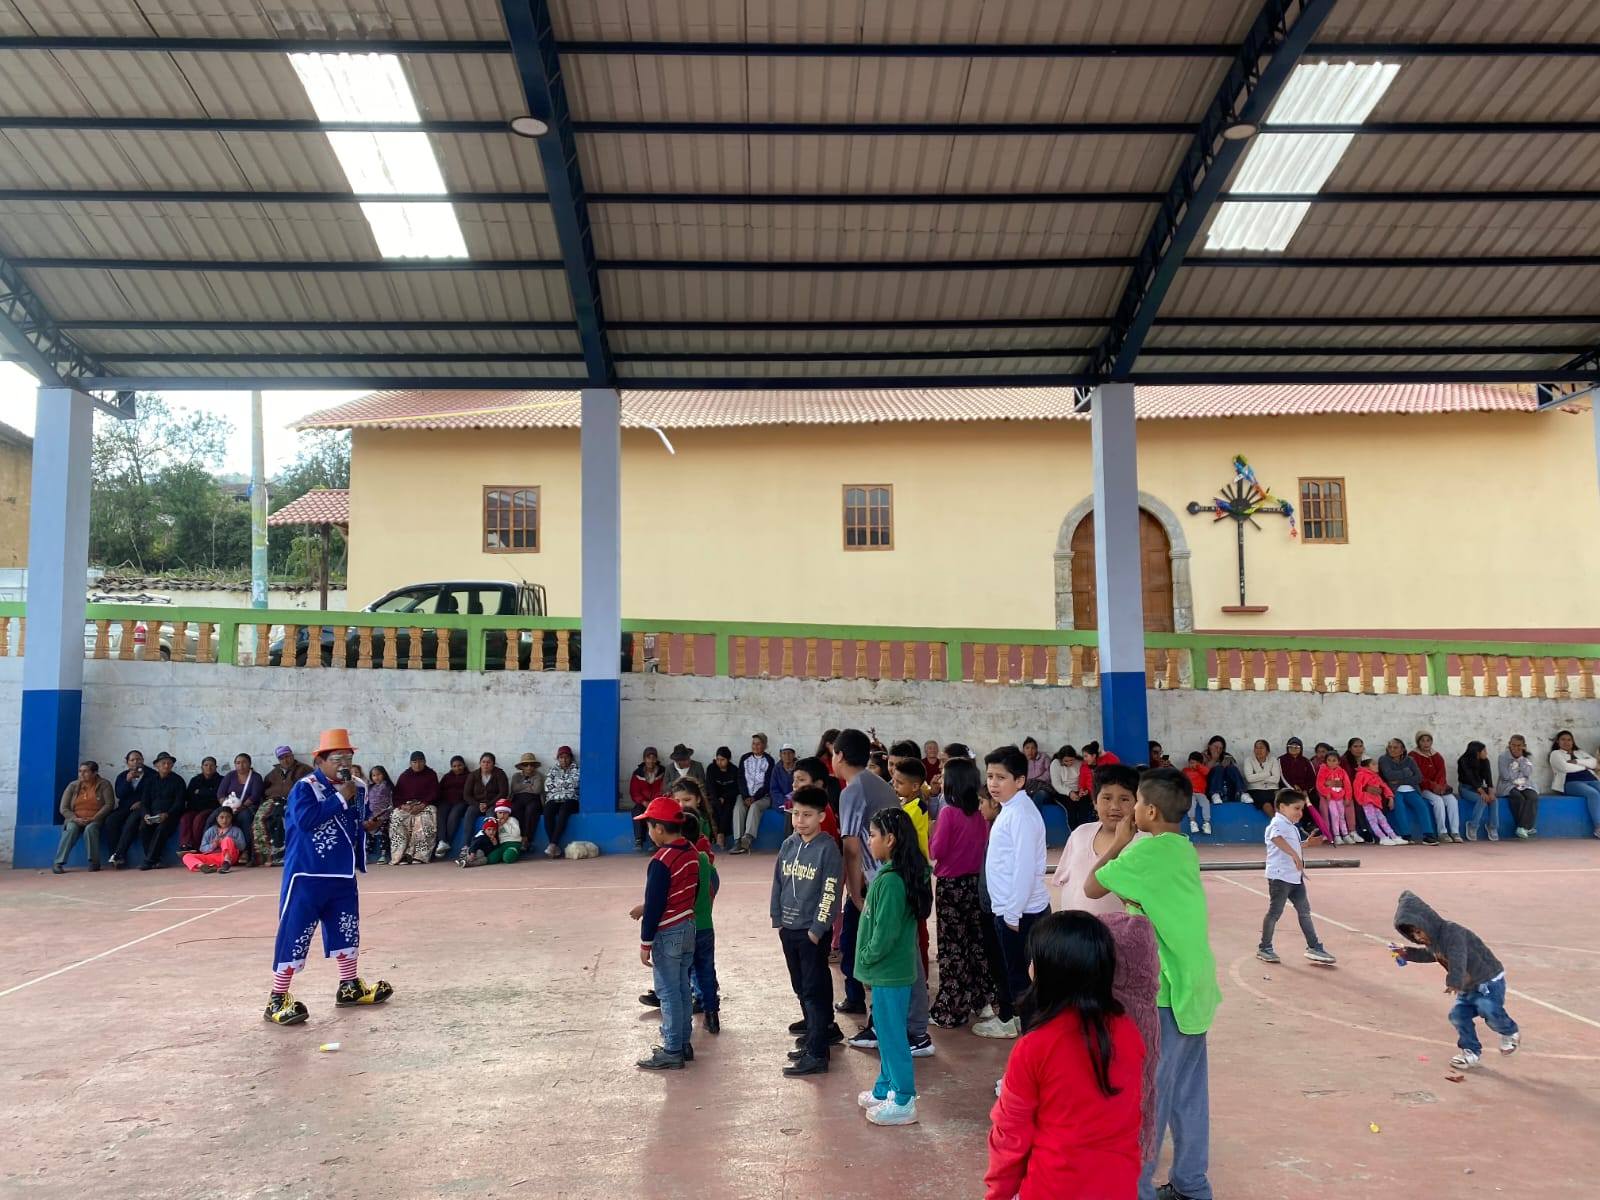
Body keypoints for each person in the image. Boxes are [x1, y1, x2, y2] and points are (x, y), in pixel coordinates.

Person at [1086, 767, 1222, 1200]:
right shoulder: (1183, 849)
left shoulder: (1146, 853)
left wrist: (1119, 843)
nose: (1128, 810)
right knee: (1188, 1094)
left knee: (1150, 1097)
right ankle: (1191, 1184)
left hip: (1165, 992)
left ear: (1148, 811)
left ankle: (1138, 1190)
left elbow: (1091, 887)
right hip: (1195, 986)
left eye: (1135, 802)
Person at [985, 910, 1145, 1200]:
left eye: (1034, 960)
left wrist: (998, 1193)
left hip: (1054, 1188)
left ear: (1050, 972)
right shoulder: (1128, 1032)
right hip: (1119, 1185)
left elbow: (1010, 1135)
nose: (1030, 966)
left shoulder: (1035, 1046)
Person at [264, 728, 393, 1026]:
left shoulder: (358, 786)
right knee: (295, 933)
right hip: (307, 874)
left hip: (342, 873)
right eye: (337, 758)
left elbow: (354, 821)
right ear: (319, 761)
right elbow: (306, 821)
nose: (344, 764)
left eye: (348, 757)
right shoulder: (305, 787)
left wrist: (366, 826)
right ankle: (277, 998)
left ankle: (349, 986)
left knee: (346, 930)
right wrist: (340, 798)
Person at [834, 729, 933, 1059]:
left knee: (895, 954)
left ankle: (911, 1031)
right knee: (902, 952)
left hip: (888, 880)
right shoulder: (876, 783)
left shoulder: (854, 790)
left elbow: (851, 849)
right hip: (901, 874)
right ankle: (896, 1025)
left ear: (839, 756)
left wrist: (854, 894)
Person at [854, 807, 930, 1127]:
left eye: (873, 835)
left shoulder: (892, 882)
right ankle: (885, 1087)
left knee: (893, 1037)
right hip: (889, 971)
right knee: (886, 1034)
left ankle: (903, 1099)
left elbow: (884, 933)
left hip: (889, 972)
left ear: (890, 839)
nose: (869, 841)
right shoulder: (895, 874)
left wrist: (867, 957)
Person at [1392, 891, 1518, 1071]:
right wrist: (1406, 953)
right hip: (1467, 988)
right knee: (1457, 1015)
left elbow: (1459, 957)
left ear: (1426, 922)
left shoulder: (1452, 933)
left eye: (1418, 931)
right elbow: (1431, 955)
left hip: (1488, 981)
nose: (1418, 937)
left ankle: (1509, 1032)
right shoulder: (1433, 942)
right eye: (1413, 934)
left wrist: (1454, 981)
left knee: (1487, 1008)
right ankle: (1470, 1052)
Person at [977, 745, 1051, 1041]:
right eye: (990, 776)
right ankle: (1028, 1033)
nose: (993, 784)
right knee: (1018, 977)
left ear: (1020, 780)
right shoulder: (1011, 809)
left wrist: (1011, 913)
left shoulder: (1020, 814)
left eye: (1001, 777)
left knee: (1021, 980)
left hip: (1021, 913)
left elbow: (1024, 868)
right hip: (1014, 909)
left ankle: (1032, 1043)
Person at [772, 785, 843, 1077]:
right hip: (788, 929)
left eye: (807, 815)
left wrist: (817, 929)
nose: (800, 820)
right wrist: (777, 918)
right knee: (801, 986)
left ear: (822, 817)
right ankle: (818, 1034)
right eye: (796, 814)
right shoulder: (789, 845)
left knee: (813, 990)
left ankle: (817, 1054)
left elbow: (831, 891)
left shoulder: (828, 849)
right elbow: (778, 881)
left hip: (811, 932)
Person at [631, 797, 701, 1071]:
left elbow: (655, 905)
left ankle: (672, 1049)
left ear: (659, 829)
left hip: (667, 933)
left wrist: (645, 943)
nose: (648, 832)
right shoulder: (692, 852)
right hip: (688, 927)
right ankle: (683, 1042)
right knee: (682, 988)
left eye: (649, 826)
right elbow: (693, 890)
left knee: (668, 992)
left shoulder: (661, 860)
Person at [928, 758, 994, 1028]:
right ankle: (982, 1001)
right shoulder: (980, 815)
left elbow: (936, 850)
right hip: (974, 885)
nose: (940, 780)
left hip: (951, 888)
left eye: (944, 776)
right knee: (976, 945)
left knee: (953, 949)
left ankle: (951, 1009)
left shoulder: (948, 814)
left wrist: (931, 833)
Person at [1051, 763, 1147, 916]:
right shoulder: (1080, 834)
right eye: (1107, 798)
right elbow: (1065, 882)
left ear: (1137, 803)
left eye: (1124, 799)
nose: (1114, 806)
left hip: (1122, 930)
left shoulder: (1144, 842)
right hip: (1076, 929)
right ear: (1095, 802)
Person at [1257, 789, 1337, 966]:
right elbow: (1276, 839)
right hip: (1280, 878)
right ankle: (1264, 947)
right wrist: (1294, 854)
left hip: (1295, 878)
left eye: (1301, 809)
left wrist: (1305, 844)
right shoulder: (1277, 823)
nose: (1300, 813)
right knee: (1275, 912)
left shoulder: (1290, 826)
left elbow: (1289, 844)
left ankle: (1314, 946)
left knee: (1304, 912)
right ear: (1282, 807)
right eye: (1296, 808)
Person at [890, 756, 933, 974]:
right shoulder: (910, 804)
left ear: (915, 786)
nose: (894, 785)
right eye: (894, 781)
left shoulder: (915, 809)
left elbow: (897, 836)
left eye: (899, 783)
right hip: (912, 869)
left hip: (914, 871)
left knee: (917, 925)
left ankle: (921, 974)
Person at [52, 760, 113, 873]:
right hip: (75, 818)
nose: (81, 774)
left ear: (94, 773)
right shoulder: (73, 786)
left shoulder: (104, 784)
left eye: (85, 771)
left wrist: (94, 818)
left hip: (95, 819)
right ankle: (58, 863)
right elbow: (64, 808)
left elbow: (109, 804)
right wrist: (75, 818)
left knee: (90, 829)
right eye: (80, 771)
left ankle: (94, 862)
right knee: (71, 829)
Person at [1376, 738, 1438, 844]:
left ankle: (1428, 835)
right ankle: (1406, 835)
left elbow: (1418, 777)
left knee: (1422, 807)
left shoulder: (1410, 760)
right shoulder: (1383, 759)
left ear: (1402, 750)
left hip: (1411, 789)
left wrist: (1398, 780)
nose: (1392, 750)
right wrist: (1406, 772)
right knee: (1399, 807)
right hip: (1394, 790)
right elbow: (1389, 775)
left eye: (1395, 748)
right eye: (1390, 747)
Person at [259, 746, 312, 868]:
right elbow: (264, 790)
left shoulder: (305, 770)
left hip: (294, 801)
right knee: (260, 819)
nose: (285, 760)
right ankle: (265, 856)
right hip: (273, 801)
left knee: (280, 817)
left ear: (292, 756)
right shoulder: (273, 773)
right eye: (281, 758)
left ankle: (282, 855)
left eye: (287, 756)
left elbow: (310, 787)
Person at [136, 750, 185, 869]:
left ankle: (149, 861)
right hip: (152, 815)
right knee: (143, 827)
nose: (166, 766)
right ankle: (155, 860)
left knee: (162, 828)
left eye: (169, 763)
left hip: (170, 816)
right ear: (157, 765)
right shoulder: (150, 781)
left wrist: (167, 814)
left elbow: (179, 803)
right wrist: (146, 815)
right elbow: (144, 802)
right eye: (163, 763)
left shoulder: (178, 781)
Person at [213, 753, 265, 864]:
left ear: (250, 764)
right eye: (238, 763)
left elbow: (255, 795)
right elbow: (220, 793)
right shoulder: (230, 776)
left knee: (245, 817)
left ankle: (246, 851)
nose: (241, 765)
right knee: (213, 816)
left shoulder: (255, 777)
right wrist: (226, 807)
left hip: (248, 806)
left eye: (244, 762)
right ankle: (210, 847)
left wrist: (242, 807)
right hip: (228, 806)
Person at [389, 751, 440, 865]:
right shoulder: (405, 776)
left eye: (420, 761)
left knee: (427, 816)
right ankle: (400, 856)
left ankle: (420, 855)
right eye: (414, 762)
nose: (417, 765)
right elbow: (396, 796)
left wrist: (422, 805)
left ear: (425, 762)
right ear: (410, 763)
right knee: (396, 816)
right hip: (407, 806)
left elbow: (435, 793)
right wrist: (403, 806)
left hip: (425, 805)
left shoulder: (431, 774)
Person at [1548, 730, 1600, 838]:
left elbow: (1594, 763)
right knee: (1593, 794)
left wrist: (1577, 762)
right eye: (1563, 739)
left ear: (1573, 741)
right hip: (1570, 782)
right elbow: (1565, 767)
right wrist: (1585, 766)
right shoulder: (1555, 754)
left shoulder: (1580, 752)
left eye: (1569, 740)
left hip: (1591, 779)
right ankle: (1598, 827)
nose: (1566, 742)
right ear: (1558, 741)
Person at [1411, 732, 1462, 843]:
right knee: (1438, 801)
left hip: (1439, 788)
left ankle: (1455, 832)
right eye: (1422, 741)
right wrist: (1432, 786)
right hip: (1423, 788)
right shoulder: (1413, 756)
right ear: (1418, 742)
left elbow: (1442, 774)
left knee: (1452, 801)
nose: (1426, 743)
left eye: (1428, 740)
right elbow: (1418, 776)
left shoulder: (1437, 756)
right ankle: (1442, 833)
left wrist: (1440, 786)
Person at [103, 750, 149, 868]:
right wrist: (127, 781)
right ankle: (114, 855)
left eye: (138, 759)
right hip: (125, 807)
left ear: (143, 760)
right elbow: (119, 794)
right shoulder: (122, 776)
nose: (136, 762)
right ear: (127, 762)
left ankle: (119, 854)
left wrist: (142, 802)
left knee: (131, 822)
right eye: (132, 760)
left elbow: (154, 794)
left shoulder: (152, 775)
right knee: (111, 821)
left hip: (142, 808)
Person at [732, 733, 776, 854]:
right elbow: (740, 778)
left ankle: (747, 838)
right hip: (745, 795)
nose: (755, 746)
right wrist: (746, 796)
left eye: (758, 744)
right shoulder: (745, 758)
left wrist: (755, 798)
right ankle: (737, 841)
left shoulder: (769, 760)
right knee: (738, 807)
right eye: (753, 743)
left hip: (763, 796)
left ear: (764, 745)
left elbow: (767, 783)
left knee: (754, 807)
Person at [1352, 758, 1404, 846]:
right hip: (1367, 801)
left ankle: (1393, 836)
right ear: (1367, 767)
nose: (1377, 766)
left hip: (1376, 801)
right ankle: (1382, 837)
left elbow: (1384, 786)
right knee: (1373, 820)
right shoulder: (1361, 774)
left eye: (1376, 764)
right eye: (1373, 764)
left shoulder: (1376, 776)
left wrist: (1390, 797)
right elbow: (1357, 788)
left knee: (1382, 819)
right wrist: (1362, 799)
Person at [1497, 735, 1540, 839]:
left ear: (1524, 746)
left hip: (1524, 784)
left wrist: (1520, 759)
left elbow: (1527, 773)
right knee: (1518, 797)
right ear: (1509, 744)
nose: (1516, 748)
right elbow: (1505, 776)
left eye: (1519, 746)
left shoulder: (1526, 758)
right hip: (1508, 784)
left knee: (1533, 796)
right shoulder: (1503, 757)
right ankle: (1526, 827)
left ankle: (1522, 827)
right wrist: (1516, 778)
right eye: (1513, 745)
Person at [183, 806, 246, 874]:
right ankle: (203, 866)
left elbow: (242, 846)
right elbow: (202, 848)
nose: (224, 820)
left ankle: (226, 863)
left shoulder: (236, 830)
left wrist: (229, 841)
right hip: (214, 857)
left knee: (227, 839)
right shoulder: (210, 831)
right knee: (186, 856)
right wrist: (214, 845)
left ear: (231, 818)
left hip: (231, 857)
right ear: (217, 818)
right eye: (221, 817)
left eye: (228, 817)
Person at [542, 745, 580, 858]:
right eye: (561, 757)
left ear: (571, 758)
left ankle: (553, 844)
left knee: (564, 811)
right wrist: (565, 785)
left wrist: (558, 785)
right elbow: (548, 785)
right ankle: (554, 845)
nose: (564, 760)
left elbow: (575, 784)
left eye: (566, 757)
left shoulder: (577, 769)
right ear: (558, 758)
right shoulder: (553, 769)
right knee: (547, 812)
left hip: (571, 798)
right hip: (554, 798)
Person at [178, 756, 222, 852]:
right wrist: (208, 793)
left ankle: (198, 846)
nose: (209, 767)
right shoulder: (195, 780)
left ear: (216, 767)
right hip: (194, 808)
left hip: (211, 809)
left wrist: (200, 792)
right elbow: (189, 796)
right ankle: (186, 845)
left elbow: (217, 795)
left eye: (211, 765)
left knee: (199, 820)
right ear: (202, 767)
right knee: (185, 818)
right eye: (206, 765)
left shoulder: (221, 780)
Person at [629, 746, 669, 852]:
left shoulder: (662, 772)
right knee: (637, 810)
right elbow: (634, 791)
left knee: (656, 813)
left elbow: (663, 788)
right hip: (643, 803)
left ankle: (655, 842)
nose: (651, 761)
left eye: (653, 758)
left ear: (656, 759)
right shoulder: (637, 773)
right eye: (648, 758)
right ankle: (638, 840)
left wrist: (655, 801)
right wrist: (643, 801)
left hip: (658, 802)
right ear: (644, 759)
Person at [461, 800, 520, 867]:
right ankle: (465, 860)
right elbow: (475, 843)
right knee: (489, 859)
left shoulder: (512, 820)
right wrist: (472, 853)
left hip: (512, 843)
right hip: (480, 850)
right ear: (496, 813)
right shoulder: (494, 824)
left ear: (509, 813)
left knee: (506, 858)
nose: (502, 815)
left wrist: (504, 825)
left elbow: (516, 834)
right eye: (500, 813)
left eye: (505, 813)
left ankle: (467, 862)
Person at [1459, 741, 1498, 842]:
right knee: (1482, 799)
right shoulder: (1463, 761)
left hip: (1480, 787)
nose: (1486, 753)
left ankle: (1492, 827)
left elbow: (1488, 779)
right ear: (1477, 752)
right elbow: (1471, 779)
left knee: (1493, 800)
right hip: (1466, 788)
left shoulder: (1485, 761)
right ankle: (1472, 825)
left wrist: (1491, 792)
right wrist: (1483, 793)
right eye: (1484, 751)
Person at [1316, 749, 1356, 845]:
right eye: (1329, 760)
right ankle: (1337, 835)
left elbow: (1347, 785)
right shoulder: (1323, 770)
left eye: (1334, 760)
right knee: (1335, 816)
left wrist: (1347, 797)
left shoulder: (1342, 771)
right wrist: (1326, 793)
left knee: (1341, 816)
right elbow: (1319, 784)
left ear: (1338, 762)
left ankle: (1345, 834)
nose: (1331, 763)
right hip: (1331, 799)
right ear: (1326, 761)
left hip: (1340, 798)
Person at [705, 746, 741, 852]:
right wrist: (717, 799)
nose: (719, 762)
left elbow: (736, 789)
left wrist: (724, 797)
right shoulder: (711, 768)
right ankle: (718, 836)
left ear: (728, 760)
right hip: (714, 796)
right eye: (718, 759)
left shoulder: (734, 770)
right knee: (715, 807)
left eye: (722, 760)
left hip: (728, 797)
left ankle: (720, 835)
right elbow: (710, 786)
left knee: (728, 808)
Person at [466, 753, 511, 838]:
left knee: (491, 816)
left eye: (488, 762)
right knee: (469, 813)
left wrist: (488, 804)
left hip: (493, 803)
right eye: (483, 762)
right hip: (477, 803)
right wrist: (478, 804)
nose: (486, 764)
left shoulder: (500, 774)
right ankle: (466, 843)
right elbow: (466, 795)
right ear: (480, 763)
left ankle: (489, 841)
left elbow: (503, 793)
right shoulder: (473, 775)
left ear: (493, 764)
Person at [435, 754, 471, 860]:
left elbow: (470, 791)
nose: (457, 768)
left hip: (462, 802)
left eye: (459, 765)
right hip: (446, 801)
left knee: (453, 815)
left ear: (464, 765)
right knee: (440, 814)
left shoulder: (469, 776)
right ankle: (442, 841)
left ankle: (447, 841)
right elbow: (440, 790)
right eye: (454, 766)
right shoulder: (447, 777)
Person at [508, 752, 545, 850]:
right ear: (521, 767)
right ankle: (517, 838)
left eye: (531, 765)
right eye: (526, 765)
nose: (529, 767)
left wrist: (522, 786)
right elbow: (514, 789)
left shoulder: (538, 776)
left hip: (533, 799)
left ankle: (526, 839)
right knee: (515, 809)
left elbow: (537, 790)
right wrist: (529, 785)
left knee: (531, 810)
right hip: (518, 799)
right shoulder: (516, 776)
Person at [1200, 735, 1245, 807]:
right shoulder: (1201, 757)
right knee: (1218, 769)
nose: (1218, 750)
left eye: (1220, 748)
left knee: (1232, 768)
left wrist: (1227, 768)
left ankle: (1242, 792)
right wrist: (1214, 760)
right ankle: (1215, 794)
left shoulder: (1228, 757)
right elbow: (1201, 774)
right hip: (1209, 789)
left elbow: (1236, 773)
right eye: (1216, 747)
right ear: (1209, 746)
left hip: (1227, 788)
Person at [363, 765, 393, 864]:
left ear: (384, 774)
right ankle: (366, 854)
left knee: (384, 830)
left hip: (385, 815)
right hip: (372, 816)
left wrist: (381, 816)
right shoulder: (370, 788)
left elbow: (390, 804)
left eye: (379, 774)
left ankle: (383, 855)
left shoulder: (387, 787)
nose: (376, 777)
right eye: (374, 775)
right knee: (367, 831)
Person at [1242, 739, 1282, 814]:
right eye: (1256, 748)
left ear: (1267, 751)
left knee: (1280, 802)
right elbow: (1249, 779)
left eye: (1261, 748)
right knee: (1266, 804)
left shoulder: (1273, 760)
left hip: (1272, 789)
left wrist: (1257, 778)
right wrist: (1267, 774)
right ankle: (1274, 820)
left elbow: (1276, 779)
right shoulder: (1248, 760)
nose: (1258, 750)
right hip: (1256, 789)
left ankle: (1282, 820)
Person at [1182, 752, 1212, 836]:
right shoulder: (1185, 770)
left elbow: (1207, 772)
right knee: (1191, 803)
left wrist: (1199, 766)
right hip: (1190, 792)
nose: (1192, 765)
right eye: (1191, 763)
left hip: (1200, 793)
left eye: (1195, 763)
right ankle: (1192, 822)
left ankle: (1206, 823)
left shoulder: (1202, 771)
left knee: (1206, 803)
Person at [770, 743, 797, 833]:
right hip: (781, 802)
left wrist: (794, 799)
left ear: (794, 755)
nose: (787, 756)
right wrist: (785, 801)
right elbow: (774, 790)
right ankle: (789, 839)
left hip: (797, 799)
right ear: (780, 755)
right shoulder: (776, 769)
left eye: (789, 753)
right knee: (789, 812)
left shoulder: (799, 767)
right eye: (784, 753)